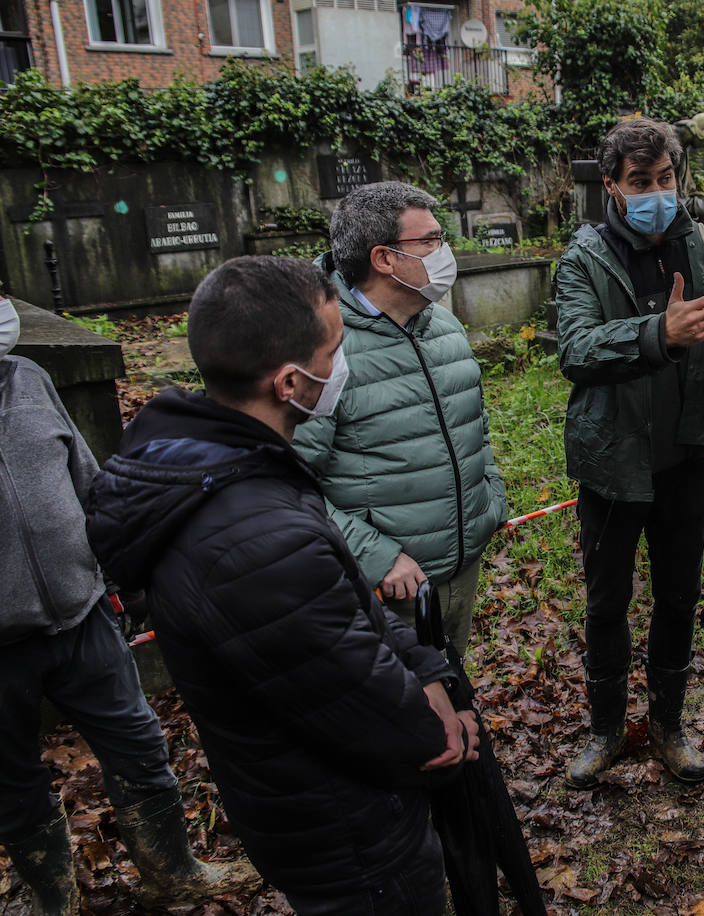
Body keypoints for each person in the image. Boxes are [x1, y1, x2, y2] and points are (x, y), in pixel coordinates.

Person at [84, 257, 479, 915]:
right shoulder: (257, 540)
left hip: (299, 804)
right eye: (336, 352)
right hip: (347, 834)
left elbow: (346, 614)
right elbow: (360, 696)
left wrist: (427, 666)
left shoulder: (221, 464)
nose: (342, 366)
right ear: (292, 381)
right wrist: (439, 726)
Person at [0, 297, 257, 916]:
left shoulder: (29, 378)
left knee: (138, 745)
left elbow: (86, 478)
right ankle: (52, 897)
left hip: (82, 614)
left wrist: (123, 572)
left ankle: (171, 871)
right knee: (11, 780)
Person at [556, 117, 704, 788]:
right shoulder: (584, 257)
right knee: (606, 603)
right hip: (614, 462)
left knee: (679, 598)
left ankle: (669, 724)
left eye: (666, 178)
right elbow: (577, 351)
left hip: (684, 453)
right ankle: (603, 729)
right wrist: (659, 332)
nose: (656, 191)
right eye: (640, 182)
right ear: (614, 189)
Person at [294, 181, 507, 656]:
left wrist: (489, 498)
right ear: (384, 259)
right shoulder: (322, 346)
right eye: (429, 241)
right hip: (385, 590)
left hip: (459, 569)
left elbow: (475, 422)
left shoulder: (443, 324)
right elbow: (285, 480)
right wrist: (376, 558)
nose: (443, 251)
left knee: (451, 702)